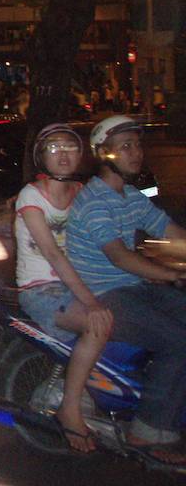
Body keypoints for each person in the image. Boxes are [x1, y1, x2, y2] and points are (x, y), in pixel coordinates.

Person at [66, 115, 186, 464]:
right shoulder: (94, 201)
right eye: (126, 147)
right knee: (178, 340)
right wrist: (171, 275)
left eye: (137, 145)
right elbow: (120, 257)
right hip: (105, 295)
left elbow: (171, 231)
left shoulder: (130, 196)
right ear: (105, 154)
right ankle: (147, 430)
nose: (136, 153)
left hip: (134, 288)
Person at [13, 123, 113, 452]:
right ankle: (70, 410)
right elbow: (53, 254)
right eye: (54, 147)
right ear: (41, 156)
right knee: (98, 324)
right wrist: (92, 303)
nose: (63, 154)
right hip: (42, 289)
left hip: (77, 281)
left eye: (70, 147)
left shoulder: (81, 191)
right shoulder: (32, 196)